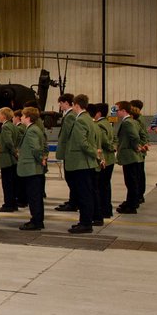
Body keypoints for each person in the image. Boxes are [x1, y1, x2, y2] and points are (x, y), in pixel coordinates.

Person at [64, 95, 99, 233]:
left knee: (84, 194)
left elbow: (82, 143)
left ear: (76, 105)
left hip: (81, 163)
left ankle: (85, 223)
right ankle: (85, 221)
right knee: (87, 193)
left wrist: (94, 153)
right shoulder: (88, 119)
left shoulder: (80, 120)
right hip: (85, 163)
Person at [16, 107, 46, 230]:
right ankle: (38, 220)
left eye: (22, 116)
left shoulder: (32, 130)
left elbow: (36, 148)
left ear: (28, 117)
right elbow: (44, 145)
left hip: (32, 168)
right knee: (36, 196)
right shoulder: (34, 129)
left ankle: (36, 221)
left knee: (34, 196)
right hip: (33, 168)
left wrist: (40, 159)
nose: (21, 118)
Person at [115, 101, 146, 214]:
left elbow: (134, 136)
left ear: (124, 111)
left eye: (117, 110)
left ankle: (132, 205)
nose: (116, 112)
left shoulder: (127, 122)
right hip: (132, 156)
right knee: (132, 181)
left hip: (129, 156)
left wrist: (136, 147)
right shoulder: (131, 121)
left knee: (131, 181)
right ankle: (131, 201)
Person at [91, 103, 117, 226]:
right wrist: (114, 146)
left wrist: (111, 148)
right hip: (110, 159)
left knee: (101, 186)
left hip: (105, 158)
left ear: (98, 113)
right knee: (106, 185)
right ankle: (107, 209)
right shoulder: (107, 123)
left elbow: (104, 141)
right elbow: (114, 138)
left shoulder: (99, 125)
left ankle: (103, 210)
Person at [53, 93, 77, 212]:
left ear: (66, 103)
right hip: (67, 151)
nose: (60, 106)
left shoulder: (70, 116)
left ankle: (73, 202)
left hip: (69, 151)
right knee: (70, 178)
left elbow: (69, 134)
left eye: (61, 103)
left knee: (71, 178)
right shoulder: (68, 115)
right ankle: (72, 200)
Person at [0, 107, 19, 212]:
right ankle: (13, 203)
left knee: (7, 183)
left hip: (7, 158)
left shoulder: (5, 127)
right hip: (12, 158)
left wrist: (13, 151)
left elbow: (8, 142)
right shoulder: (13, 126)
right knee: (12, 182)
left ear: (4, 116)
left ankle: (8, 204)